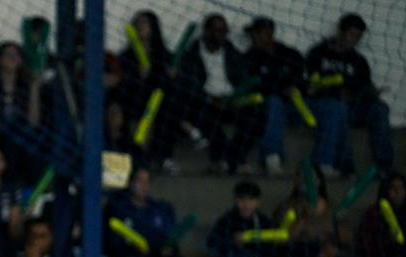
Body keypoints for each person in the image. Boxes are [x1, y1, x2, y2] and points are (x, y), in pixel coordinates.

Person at [306, 13, 393, 176]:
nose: (355, 40)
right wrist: (335, 92)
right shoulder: (319, 53)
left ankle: (384, 168)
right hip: (326, 106)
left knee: (380, 109)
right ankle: (343, 164)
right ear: (341, 31)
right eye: (352, 35)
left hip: (353, 105)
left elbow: (365, 88)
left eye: (358, 37)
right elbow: (311, 87)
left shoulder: (359, 61)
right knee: (338, 108)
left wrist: (371, 93)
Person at [177, 14, 264, 174]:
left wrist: (233, 98)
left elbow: (243, 78)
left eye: (224, 30)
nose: (221, 34)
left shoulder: (231, 52)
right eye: (216, 30)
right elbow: (189, 85)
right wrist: (210, 98)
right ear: (206, 31)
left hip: (232, 101)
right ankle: (221, 159)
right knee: (205, 113)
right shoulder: (192, 55)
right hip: (205, 101)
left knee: (256, 115)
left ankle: (236, 157)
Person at [117, 11, 180, 173]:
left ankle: (164, 156)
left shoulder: (164, 56)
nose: (140, 27)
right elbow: (122, 82)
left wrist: (171, 74)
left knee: (168, 99)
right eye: (137, 24)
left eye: (144, 23)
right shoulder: (126, 56)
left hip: (160, 101)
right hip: (135, 99)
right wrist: (138, 76)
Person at [244, 17, 305, 175]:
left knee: (333, 107)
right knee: (274, 103)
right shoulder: (249, 57)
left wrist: (295, 88)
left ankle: (331, 165)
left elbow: (302, 81)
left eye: (257, 34)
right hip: (268, 107)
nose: (254, 38)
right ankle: (272, 157)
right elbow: (252, 86)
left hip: (299, 105)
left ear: (268, 33)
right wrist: (280, 89)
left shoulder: (290, 54)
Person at [0, 42, 40, 180]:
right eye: (8, 54)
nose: (13, 58)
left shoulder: (25, 86)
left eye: (17, 55)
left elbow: (34, 121)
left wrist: (34, 89)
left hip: (21, 138)